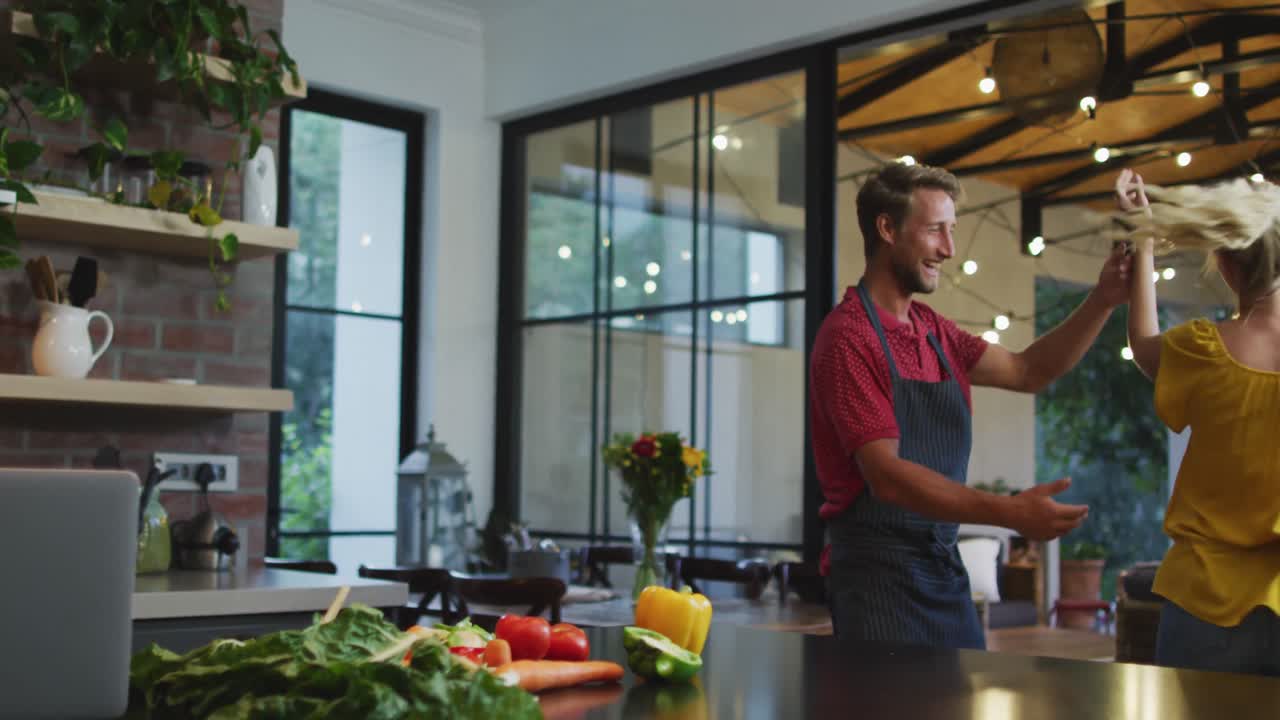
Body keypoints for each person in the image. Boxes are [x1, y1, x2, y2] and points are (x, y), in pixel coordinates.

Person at [810, 161, 1130, 649]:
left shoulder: (935, 332)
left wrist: (1104, 299)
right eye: (936, 229)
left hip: (942, 573)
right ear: (887, 228)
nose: (949, 249)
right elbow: (887, 476)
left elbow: (1030, 371)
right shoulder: (848, 337)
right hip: (876, 583)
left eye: (952, 230)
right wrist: (1008, 512)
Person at [1116, 168, 1280, 677]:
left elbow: (1143, 343)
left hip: (1204, 600)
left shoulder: (1201, 349)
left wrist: (1142, 238)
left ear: (1227, 265)